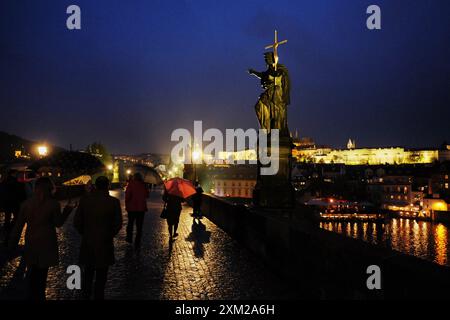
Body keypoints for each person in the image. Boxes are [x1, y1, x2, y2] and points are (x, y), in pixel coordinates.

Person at [8, 177, 74, 300]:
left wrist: (11, 245)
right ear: (49, 188)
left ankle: (32, 295)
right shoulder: (53, 204)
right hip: (47, 241)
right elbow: (58, 223)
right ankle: (40, 295)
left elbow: (18, 227)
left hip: (31, 240)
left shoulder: (26, 204)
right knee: (42, 274)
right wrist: (67, 211)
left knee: (32, 271)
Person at [73, 176, 122, 300]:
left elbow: (77, 221)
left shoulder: (85, 200)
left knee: (88, 273)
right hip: (105, 243)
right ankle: (99, 296)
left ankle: (86, 294)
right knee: (102, 275)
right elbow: (118, 223)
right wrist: (109, 234)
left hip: (88, 242)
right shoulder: (114, 202)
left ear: (95, 185)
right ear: (108, 185)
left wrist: (85, 233)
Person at [125, 172, 148, 248]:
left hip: (131, 208)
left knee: (130, 223)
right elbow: (147, 195)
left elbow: (127, 196)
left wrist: (127, 204)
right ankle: (137, 240)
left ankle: (129, 238)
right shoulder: (144, 185)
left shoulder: (130, 184)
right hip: (141, 208)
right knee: (139, 226)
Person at [3, 170, 27, 244]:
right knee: (16, 217)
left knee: (7, 216)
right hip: (15, 203)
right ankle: (10, 229)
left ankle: (7, 228)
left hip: (6, 203)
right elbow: (21, 194)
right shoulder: (17, 183)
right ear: (13, 174)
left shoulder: (4, 183)